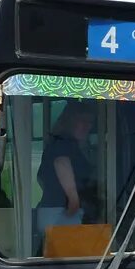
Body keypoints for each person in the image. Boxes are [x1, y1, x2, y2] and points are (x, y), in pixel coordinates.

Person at [36, 100, 96, 234]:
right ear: (70, 121)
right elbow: (61, 163)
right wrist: (73, 199)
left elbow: (41, 178)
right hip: (62, 213)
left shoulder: (57, 143)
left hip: (53, 210)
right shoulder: (64, 143)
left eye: (90, 122)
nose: (87, 126)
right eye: (82, 120)